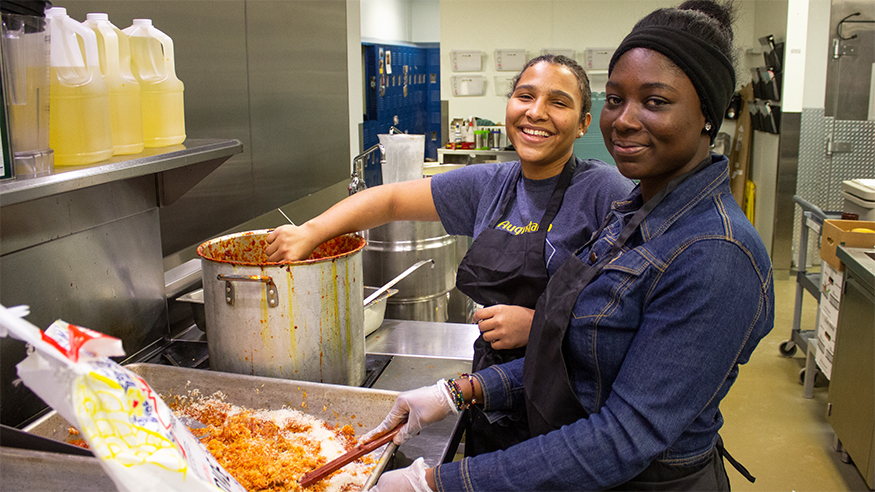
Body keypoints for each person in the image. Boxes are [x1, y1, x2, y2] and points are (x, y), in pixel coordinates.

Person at [364, 1, 776, 490]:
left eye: (655, 101)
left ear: (708, 114)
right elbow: (580, 357)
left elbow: (624, 436)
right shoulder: (631, 217)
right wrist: (459, 392)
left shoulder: (715, 253)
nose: (623, 120)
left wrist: (436, 483)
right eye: (616, 99)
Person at [266, 56, 633, 454]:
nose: (536, 112)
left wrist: (541, 326)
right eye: (525, 96)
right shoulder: (491, 183)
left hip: (569, 410)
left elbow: (632, 313)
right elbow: (390, 200)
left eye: (558, 102)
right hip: (490, 396)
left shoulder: (604, 191)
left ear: (582, 123)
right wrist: (311, 231)